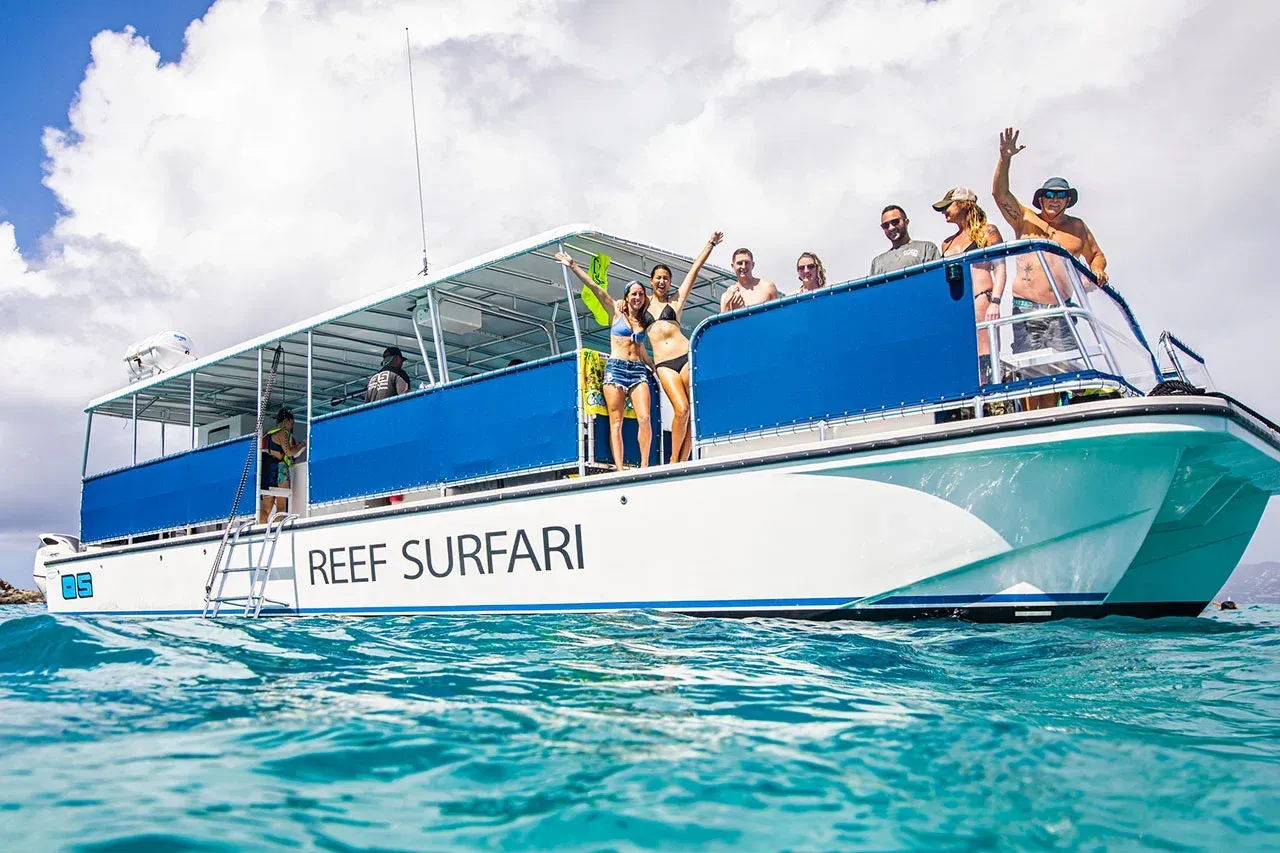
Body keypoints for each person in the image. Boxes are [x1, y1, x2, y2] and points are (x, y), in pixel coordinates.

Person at [993, 127, 1109, 406]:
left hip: (1062, 308)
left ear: (1068, 200)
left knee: (1061, 370)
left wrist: (1098, 271)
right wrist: (1005, 158)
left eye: (1061, 195)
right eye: (1049, 195)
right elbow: (1000, 193)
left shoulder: (1077, 228)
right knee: (1031, 373)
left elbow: (1097, 256)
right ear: (1040, 199)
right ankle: (1033, 420)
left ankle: (1058, 417)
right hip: (1027, 308)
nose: (1054, 199)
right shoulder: (1025, 220)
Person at [556, 251, 656, 471]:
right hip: (616, 369)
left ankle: (645, 465)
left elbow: (642, 349)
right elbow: (595, 287)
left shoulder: (644, 320)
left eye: (641, 294)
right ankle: (620, 468)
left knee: (645, 418)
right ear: (627, 296)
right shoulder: (615, 310)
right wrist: (573, 265)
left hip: (638, 370)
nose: (637, 297)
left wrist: (653, 367)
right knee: (617, 421)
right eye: (633, 294)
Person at [647, 231, 724, 464]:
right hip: (664, 364)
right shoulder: (642, 305)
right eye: (658, 278)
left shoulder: (676, 302)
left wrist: (710, 244)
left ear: (670, 282)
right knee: (681, 410)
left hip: (685, 355)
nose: (662, 281)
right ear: (651, 281)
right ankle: (673, 459)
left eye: (666, 278)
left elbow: (694, 270)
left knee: (693, 412)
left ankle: (684, 460)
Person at [935, 186, 1006, 383]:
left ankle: (995, 403)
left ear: (963, 205)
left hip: (981, 298)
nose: (944, 212)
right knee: (962, 358)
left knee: (986, 358)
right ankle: (967, 408)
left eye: (947, 206)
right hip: (955, 304)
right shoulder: (946, 244)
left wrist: (996, 301)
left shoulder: (987, 232)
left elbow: (1000, 267)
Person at [259, 408, 305, 523]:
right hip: (280, 470)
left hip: (267, 472)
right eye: (291, 423)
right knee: (281, 508)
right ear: (286, 421)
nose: (292, 427)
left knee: (266, 509)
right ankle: (275, 530)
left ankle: (260, 529)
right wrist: (303, 444)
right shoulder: (282, 433)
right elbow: (289, 452)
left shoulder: (269, 434)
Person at [870, 206, 940, 275]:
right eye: (885, 225)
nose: (891, 228)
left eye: (895, 222)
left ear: (906, 222)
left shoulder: (926, 248)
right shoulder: (877, 262)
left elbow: (937, 277)